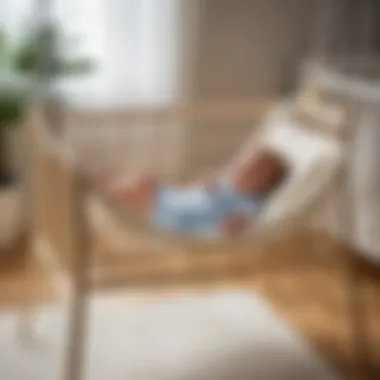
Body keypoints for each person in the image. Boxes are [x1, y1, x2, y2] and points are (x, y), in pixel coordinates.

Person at [96, 149, 288, 237]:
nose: (243, 172)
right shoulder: (227, 184)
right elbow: (197, 193)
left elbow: (239, 222)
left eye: (252, 173)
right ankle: (110, 189)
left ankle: (105, 192)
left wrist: (232, 225)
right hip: (176, 200)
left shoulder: (248, 202)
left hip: (180, 217)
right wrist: (205, 183)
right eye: (244, 167)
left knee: (143, 191)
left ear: (263, 187)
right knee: (145, 180)